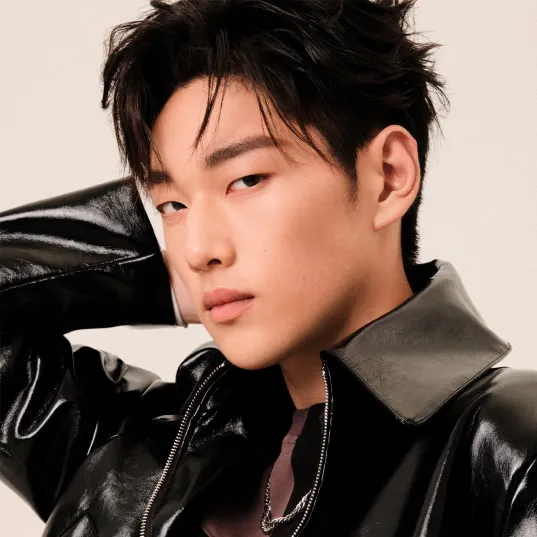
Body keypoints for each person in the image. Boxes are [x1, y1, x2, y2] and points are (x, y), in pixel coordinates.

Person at [1, 0, 536, 535]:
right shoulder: (140, 459)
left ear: (389, 176)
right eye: (172, 205)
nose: (198, 249)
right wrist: (150, 283)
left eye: (246, 180)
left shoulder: (507, 451)